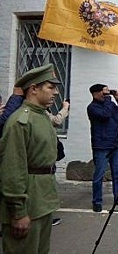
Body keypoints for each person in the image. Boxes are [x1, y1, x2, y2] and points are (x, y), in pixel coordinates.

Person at [0, 64, 62, 254]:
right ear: (34, 89)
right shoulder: (20, 122)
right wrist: (18, 211)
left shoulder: (41, 116)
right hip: (28, 203)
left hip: (43, 201)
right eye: (50, 87)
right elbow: (13, 168)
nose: (56, 92)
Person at [87, 84, 118, 212]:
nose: (107, 94)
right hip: (101, 146)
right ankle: (97, 201)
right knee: (99, 175)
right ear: (96, 93)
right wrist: (108, 99)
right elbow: (105, 115)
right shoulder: (92, 108)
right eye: (104, 91)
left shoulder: (110, 104)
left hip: (114, 145)